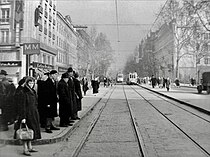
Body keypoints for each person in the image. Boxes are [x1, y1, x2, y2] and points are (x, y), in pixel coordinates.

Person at [14, 77, 41, 156]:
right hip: (27, 115)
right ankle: (25, 149)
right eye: (29, 83)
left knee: (30, 132)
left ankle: (30, 147)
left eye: (32, 83)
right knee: (26, 132)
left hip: (33, 114)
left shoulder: (33, 91)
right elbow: (22, 106)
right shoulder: (23, 92)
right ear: (26, 83)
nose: (31, 85)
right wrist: (23, 117)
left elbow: (35, 103)